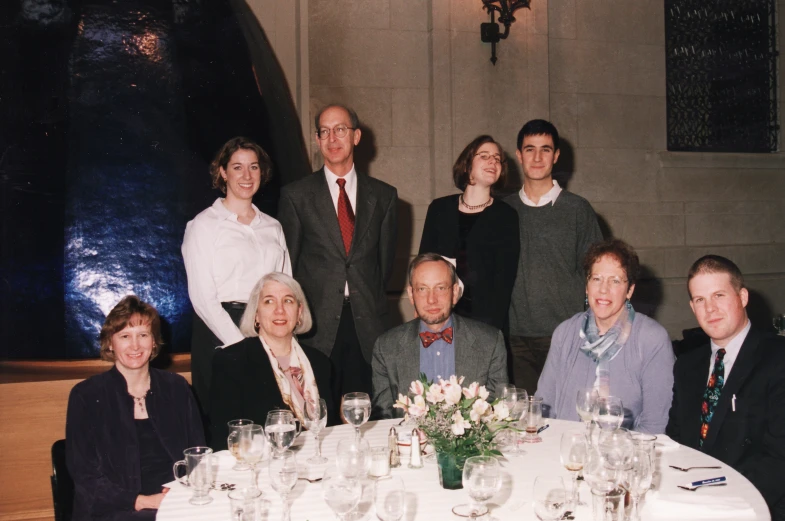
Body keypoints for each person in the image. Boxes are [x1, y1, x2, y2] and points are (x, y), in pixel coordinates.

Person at [278, 104, 397, 401]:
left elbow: (384, 266)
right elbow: (288, 268)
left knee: (367, 411)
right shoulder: (296, 196)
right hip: (316, 329)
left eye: (340, 130)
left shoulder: (384, 196)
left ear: (356, 136)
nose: (332, 138)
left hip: (367, 324)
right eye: (325, 131)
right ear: (317, 140)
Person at [666, 255, 785, 520]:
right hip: (691, 503)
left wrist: (719, 506)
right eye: (700, 300)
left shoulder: (777, 359)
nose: (710, 309)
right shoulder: (687, 366)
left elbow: (779, 461)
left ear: (742, 297)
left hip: (754, 507)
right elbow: (675, 443)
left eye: (719, 295)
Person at [66, 296, 204, 520]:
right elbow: (86, 477)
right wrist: (144, 502)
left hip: (175, 501)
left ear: (154, 341)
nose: (135, 345)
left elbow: (197, 455)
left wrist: (180, 490)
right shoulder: (86, 396)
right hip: (115, 510)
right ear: (111, 343)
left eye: (143, 335)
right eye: (125, 336)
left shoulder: (177, 387)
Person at [182, 137, 291, 412]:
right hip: (221, 333)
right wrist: (242, 347)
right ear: (222, 172)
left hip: (266, 327)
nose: (246, 175)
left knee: (270, 419)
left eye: (253, 167)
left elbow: (285, 285)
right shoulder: (203, 225)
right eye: (237, 167)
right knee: (226, 425)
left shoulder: (273, 226)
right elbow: (203, 298)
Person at [505, 119, 603, 393]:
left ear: (556, 155)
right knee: (524, 424)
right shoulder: (503, 210)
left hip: (565, 335)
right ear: (518, 155)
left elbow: (597, 274)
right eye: (530, 149)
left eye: (545, 149)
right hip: (514, 339)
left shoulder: (577, 209)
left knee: (566, 420)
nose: (537, 157)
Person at [537, 239, 674, 434]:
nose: (603, 289)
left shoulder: (652, 339)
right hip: (567, 451)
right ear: (587, 286)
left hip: (625, 457)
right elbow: (544, 408)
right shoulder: (565, 333)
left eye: (615, 280)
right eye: (597, 279)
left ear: (630, 290)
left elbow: (657, 424)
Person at [371, 253, 508, 419]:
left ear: (455, 293)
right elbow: (384, 418)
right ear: (411, 294)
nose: (431, 299)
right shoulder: (386, 347)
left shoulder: (490, 342)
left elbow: (496, 413)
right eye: (422, 289)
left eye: (441, 288)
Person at [210, 272, 336, 450]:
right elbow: (225, 438)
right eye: (269, 301)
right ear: (256, 314)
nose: (280, 310)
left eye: (288, 301)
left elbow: (330, 430)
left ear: (299, 312)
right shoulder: (232, 361)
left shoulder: (320, 362)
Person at [419, 135, 519, 332]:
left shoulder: (506, 216)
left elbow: (503, 285)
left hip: (483, 323)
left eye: (497, 158)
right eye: (484, 156)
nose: (493, 161)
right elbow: (422, 266)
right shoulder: (439, 209)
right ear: (466, 165)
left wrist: (490, 335)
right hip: (438, 317)